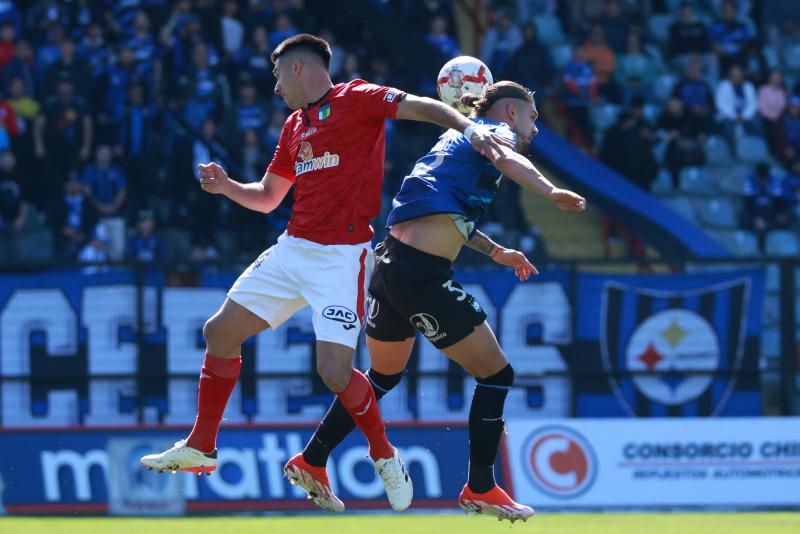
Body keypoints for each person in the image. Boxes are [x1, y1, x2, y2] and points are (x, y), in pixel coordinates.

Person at [139, 33, 511, 513]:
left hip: (341, 258)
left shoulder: (357, 98)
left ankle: (384, 454)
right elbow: (270, 197)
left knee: (334, 372)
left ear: (298, 68)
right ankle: (202, 445)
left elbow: (422, 106)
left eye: (277, 76)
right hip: (292, 250)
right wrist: (230, 187)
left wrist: (470, 126)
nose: (275, 88)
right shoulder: (294, 125)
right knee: (219, 332)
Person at [290, 81, 585, 521]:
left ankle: (311, 458)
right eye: (532, 116)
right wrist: (551, 192)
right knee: (497, 374)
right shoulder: (493, 133)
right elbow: (508, 157)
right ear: (509, 113)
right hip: (419, 277)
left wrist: (496, 251)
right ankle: (481, 486)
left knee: (382, 378)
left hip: (387, 265)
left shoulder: (453, 136)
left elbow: (442, 211)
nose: (535, 128)